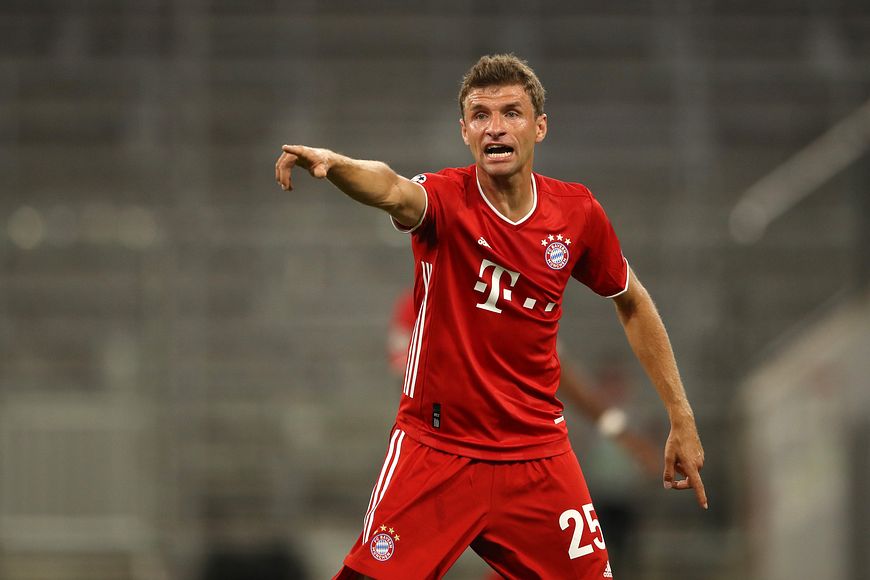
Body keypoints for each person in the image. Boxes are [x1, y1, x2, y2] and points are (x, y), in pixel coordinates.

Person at [275, 54, 706, 580]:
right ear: (465, 131)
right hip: (437, 452)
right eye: (480, 115)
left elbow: (632, 300)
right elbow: (390, 187)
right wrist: (337, 165)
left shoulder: (577, 214)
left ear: (539, 127)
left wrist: (680, 416)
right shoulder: (444, 200)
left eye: (511, 113)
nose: (495, 127)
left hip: (537, 456)